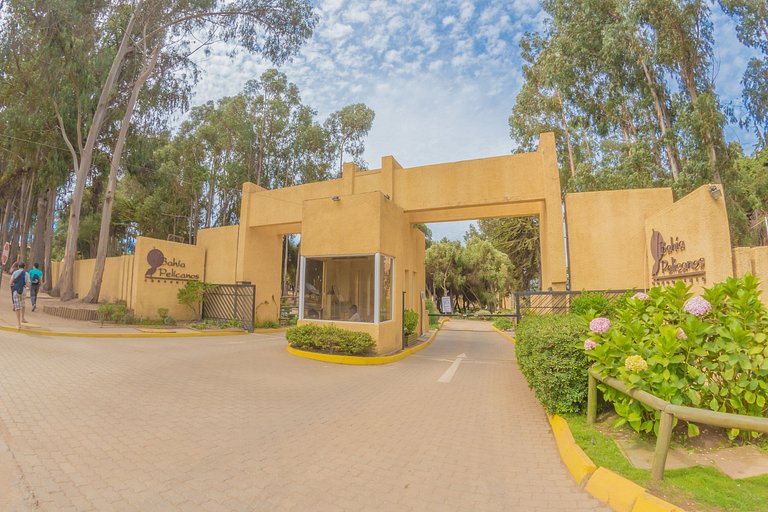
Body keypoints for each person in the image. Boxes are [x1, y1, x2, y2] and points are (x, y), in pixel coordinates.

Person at [10, 262, 29, 329]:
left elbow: (10, 283)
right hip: (23, 290)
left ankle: (18, 324)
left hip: (16, 291)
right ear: (24, 267)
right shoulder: (26, 274)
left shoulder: (15, 273)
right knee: (23, 304)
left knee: (17, 307)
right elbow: (28, 285)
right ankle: (23, 318)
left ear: (18, 267)